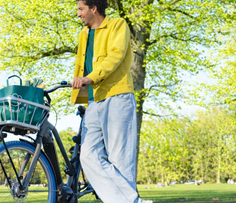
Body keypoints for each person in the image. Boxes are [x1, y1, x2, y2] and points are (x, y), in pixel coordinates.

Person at [71, 0, 151, 202]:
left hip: (117, 97)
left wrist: (91, 78)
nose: (78, 14)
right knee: (87, 156)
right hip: (93, 101)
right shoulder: (84, 35)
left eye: (81, 9)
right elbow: (82, 66)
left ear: (94, 8)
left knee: (120, 161)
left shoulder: (117, 25)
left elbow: (115, 56)